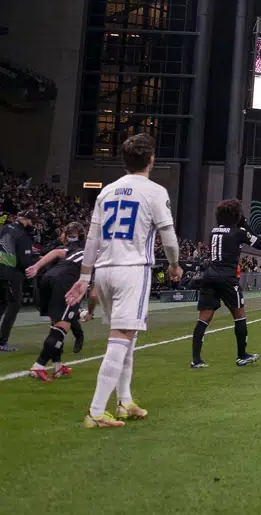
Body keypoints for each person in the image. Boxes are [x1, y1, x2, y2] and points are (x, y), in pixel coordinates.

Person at [65, 133, 182, 428]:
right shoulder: (154, 191)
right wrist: (174, 265)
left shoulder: (107, 191)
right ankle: (95, 411)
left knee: (127, 337)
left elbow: (91, 238)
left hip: (104, 270)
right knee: (121, 337)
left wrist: (84, 277)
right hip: (132, 268)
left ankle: (124, 401)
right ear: (151, 159)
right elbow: (168, 236)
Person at [191, 199, 261, 369]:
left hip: (210, 276)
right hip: (227, 278)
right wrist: (245, 224)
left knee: (204, 318)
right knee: (239, 315)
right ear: (237, 215)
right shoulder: (238, 232)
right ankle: (242, 356)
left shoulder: (213, 231)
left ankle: (196, 359)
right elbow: (260, 244)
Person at [24, 221, 87, 381]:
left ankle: (57, 367)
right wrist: (90, 311)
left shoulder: (68, 248)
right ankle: (38, 366)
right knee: (62, 327)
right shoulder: (88, 252)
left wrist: (36, 267)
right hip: (65, 282)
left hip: (46, 279)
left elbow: (56, 253)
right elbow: (93, 292)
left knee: (56, 326)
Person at [0, 207, 33, 351]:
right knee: (14, 306)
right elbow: (25, 261)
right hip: (13, 274)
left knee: (1, 304)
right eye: (32, 221)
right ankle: (2, 341)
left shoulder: (5, 228)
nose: (33, 224)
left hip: (0, 270)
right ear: (26, 220)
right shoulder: (23, 234)